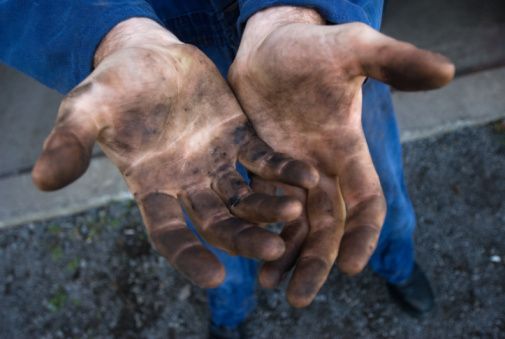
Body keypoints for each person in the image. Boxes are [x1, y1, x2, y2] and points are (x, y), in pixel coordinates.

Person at [0, 1, 454, 338]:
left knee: (368, 189)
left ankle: (396, 264)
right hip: (172, 57)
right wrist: (110, 33)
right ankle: (230, 313)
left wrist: (296, 12)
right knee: (212, 219)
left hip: (315, 56)